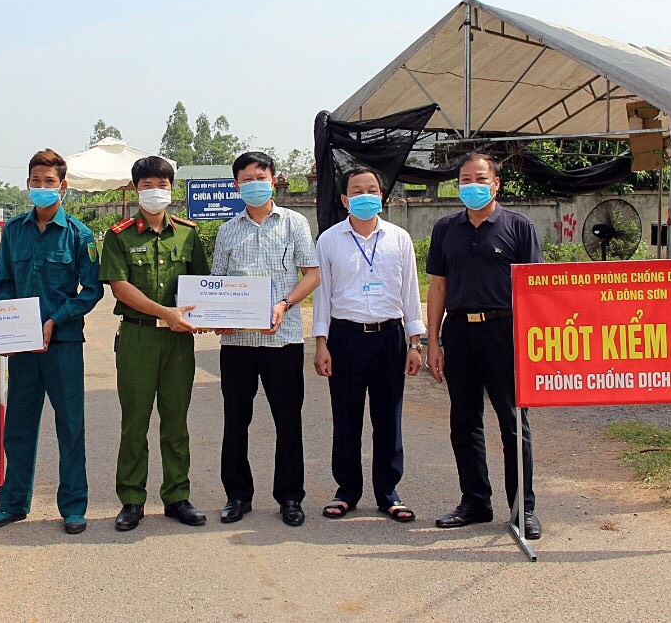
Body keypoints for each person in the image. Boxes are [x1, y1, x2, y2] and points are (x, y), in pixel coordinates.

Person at [0, 149, 103, 535]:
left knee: (70, 426)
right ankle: (14, 503)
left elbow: (92, 290)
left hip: (63, 344)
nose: (42, 188)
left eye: (50, 182)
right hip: (23, 346)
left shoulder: (80, 235)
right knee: (18, 424)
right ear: (28, 183)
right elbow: (1, 285)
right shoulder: (13, 231)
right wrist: (8, 326)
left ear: (63, 187)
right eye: (36, 181)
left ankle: (73, 507)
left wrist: (56, 319)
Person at [426, 153, 543, 540]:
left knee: (513, 422)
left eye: (480, 178)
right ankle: (475, 501)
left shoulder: (518, 227)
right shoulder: (446, 229)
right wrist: (433, 341)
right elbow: (438, 287)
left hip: (504, 332)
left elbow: (535, 289)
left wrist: (530, 342)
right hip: (459, 331)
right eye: (464, 179)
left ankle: (522, 508)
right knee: (464, 421)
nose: (471, 186)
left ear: (496, 184)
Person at [99, 155, 210, 531]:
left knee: (176, 422)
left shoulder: (188, 234)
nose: (155, 191)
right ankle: (131, 499)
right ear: (135, 189)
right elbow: (120, 286)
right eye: (147, 184)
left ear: (172, 188)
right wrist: (165, 312)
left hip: (179, 341)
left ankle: (177, 497)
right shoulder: (119, 236)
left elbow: (202, 285)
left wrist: (208, 316)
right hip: (138, 336)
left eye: (162, 184)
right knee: (134, 422)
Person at [211, 151, 319, 527]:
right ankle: (237, 495)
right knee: (235, 420)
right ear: (236, 185)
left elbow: (311, 274)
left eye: (261, 176)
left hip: (283, 339)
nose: (254, 184)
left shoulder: (295, 224)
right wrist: (216, 316)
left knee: (288, 420)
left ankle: (290, 497)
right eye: (246, 179)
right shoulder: (227, 230)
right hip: (237, 343)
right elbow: (217, 284)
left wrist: (284, 304)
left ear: (274, 179)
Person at [312, 166, 425, 523]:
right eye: (357, 190)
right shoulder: (329, 240)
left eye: (372, 189)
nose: (365, 195)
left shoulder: (399, 238)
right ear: (345, 199)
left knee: (388, 418)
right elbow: (322, 296)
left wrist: (415, 342)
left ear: (382, 196)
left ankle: (388, 492)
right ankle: (346, 491)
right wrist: (321, 343)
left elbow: (410, 293)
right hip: (345, 337)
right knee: (346, 418)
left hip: (389, 336)